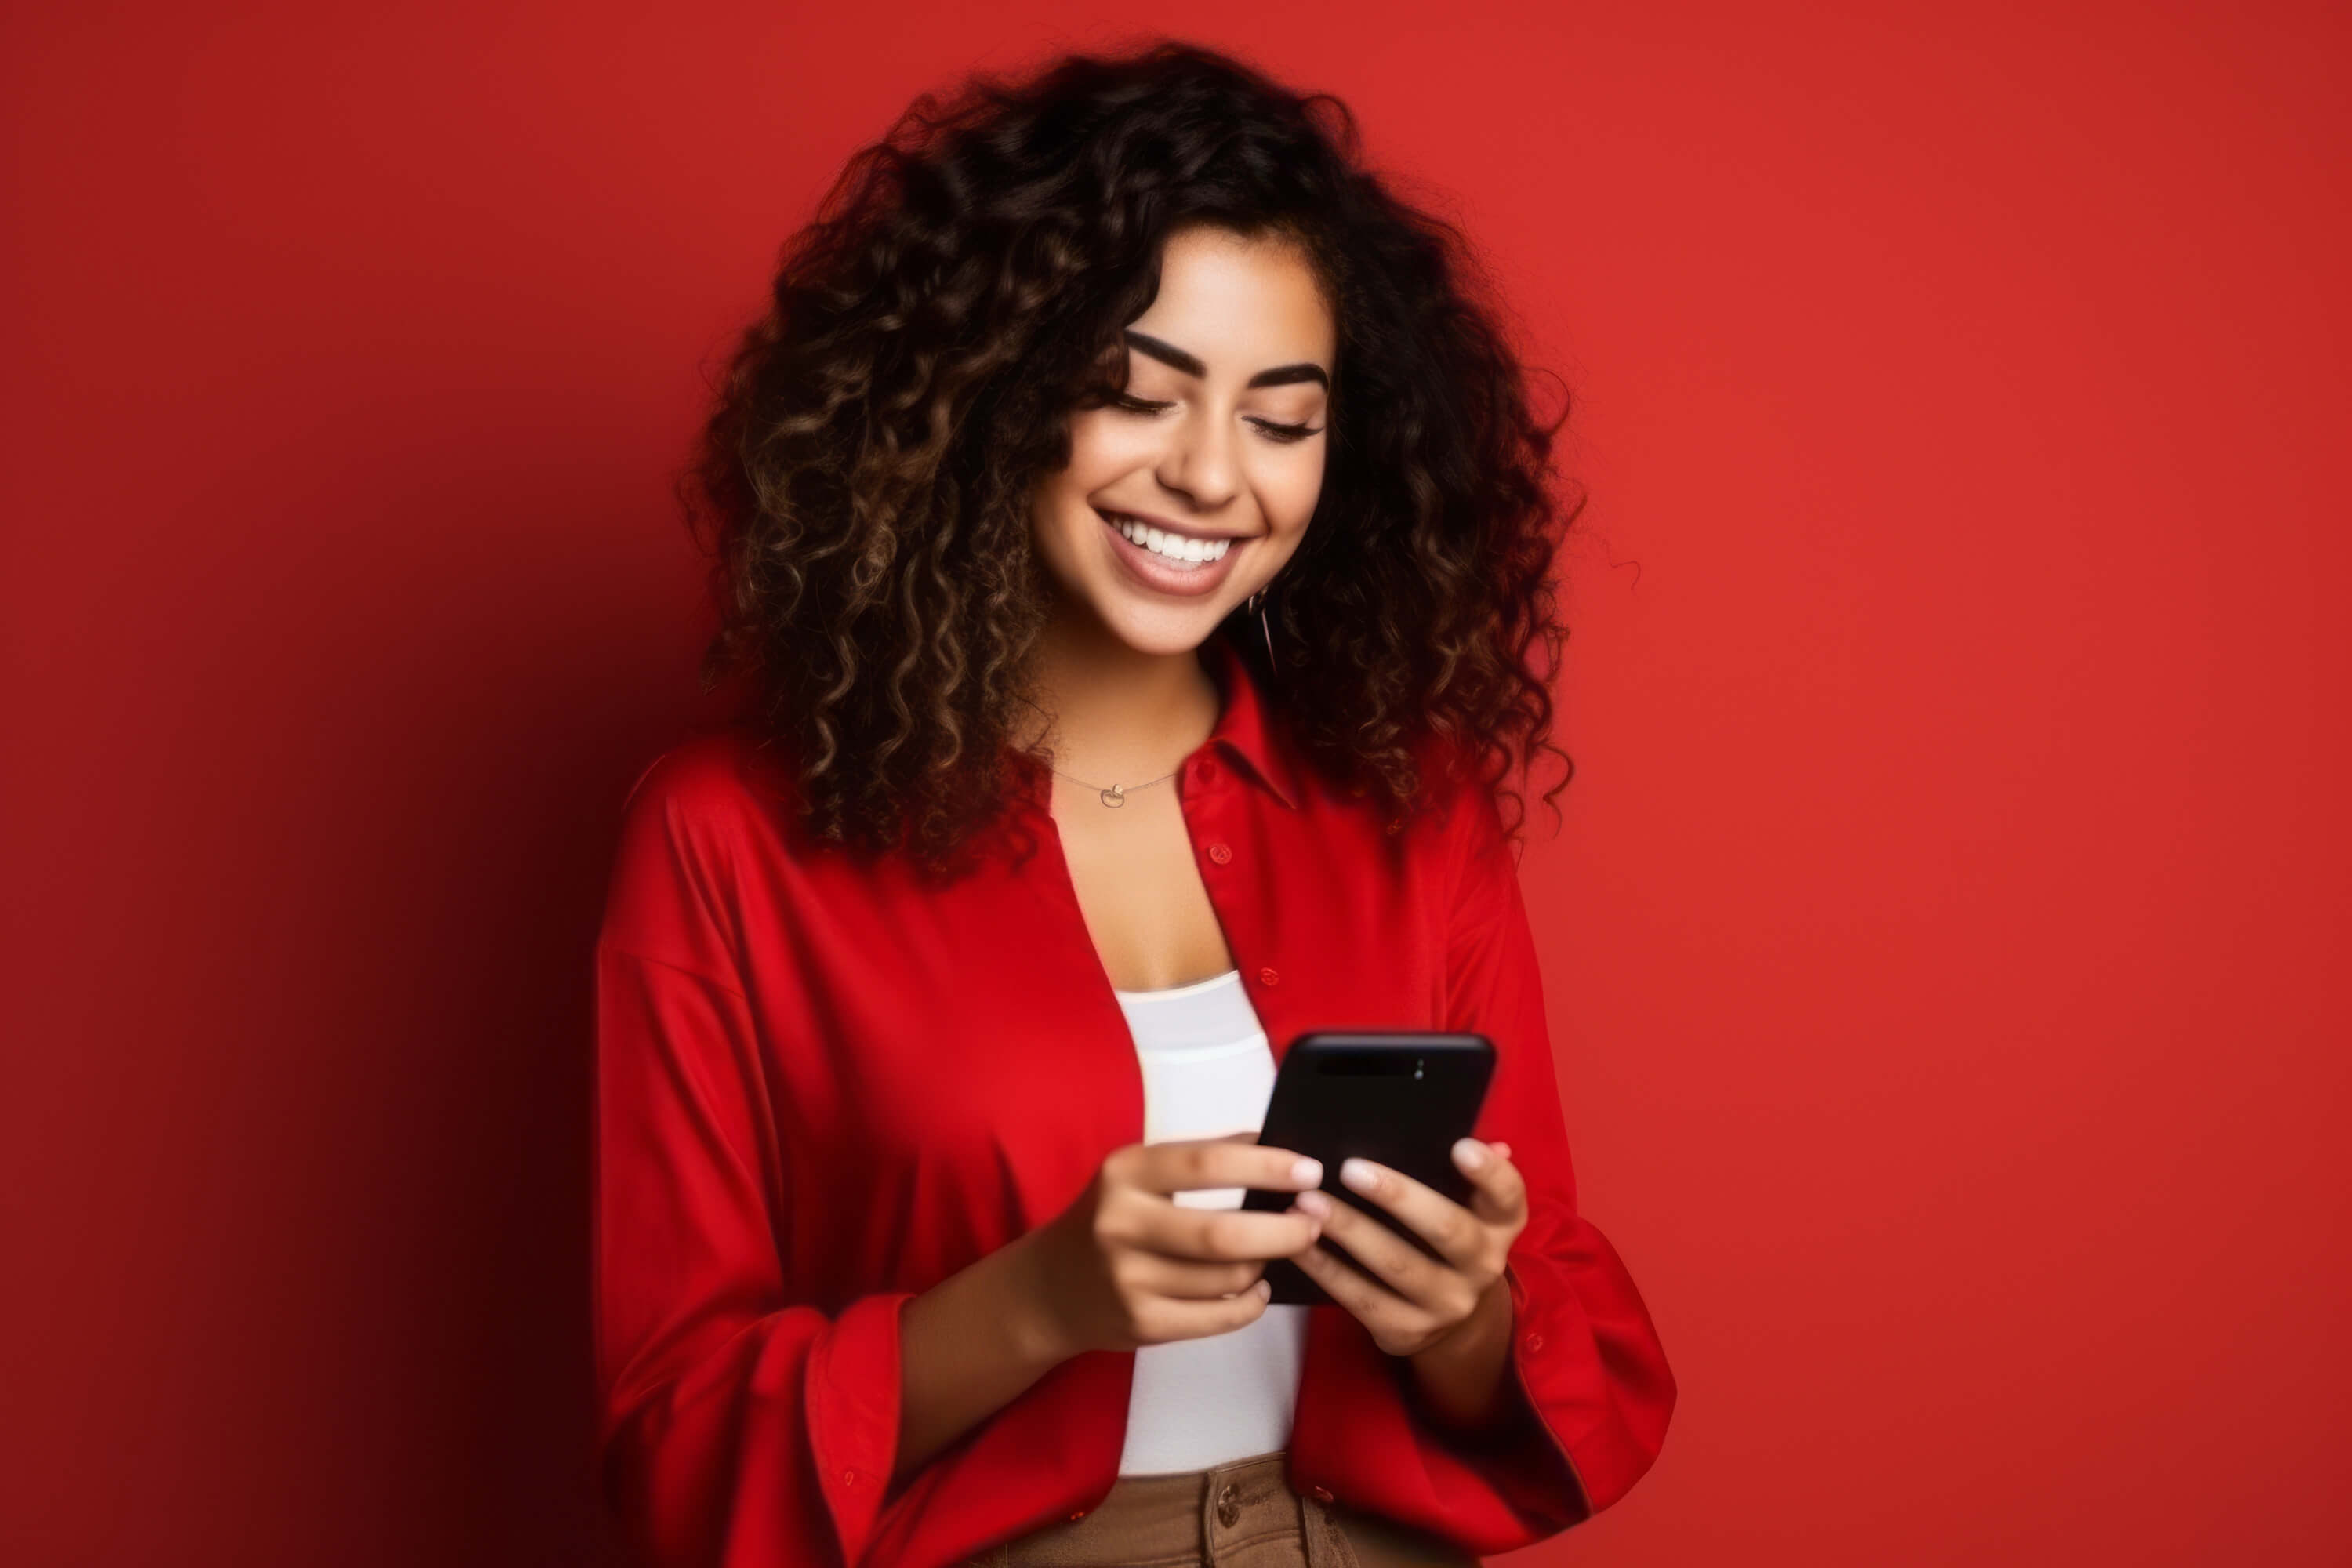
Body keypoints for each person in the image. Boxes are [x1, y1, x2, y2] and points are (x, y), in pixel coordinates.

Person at [593, 40, 1675, 1568]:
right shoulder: (726, 836)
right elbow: (674, 1433)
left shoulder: (1410, 803)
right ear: (979, 401)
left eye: (1282, 418)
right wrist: (1038, 1302)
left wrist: (1464, 1313)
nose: (1211, 476)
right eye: (1132, 393)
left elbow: (1559, 1327)